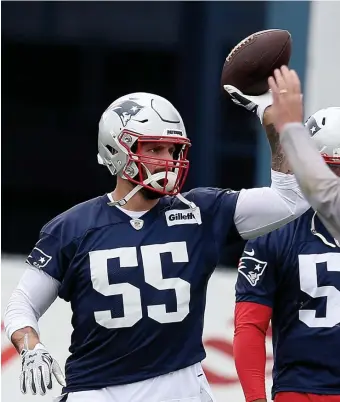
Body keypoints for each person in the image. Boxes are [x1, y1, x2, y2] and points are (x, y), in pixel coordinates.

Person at [4, 92, 309, 402]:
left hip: (179, 386)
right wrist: (32, 347)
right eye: (154, 148)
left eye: (172, 149)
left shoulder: (201, 212)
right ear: (116, 149)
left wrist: (275, 130)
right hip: (97, 390)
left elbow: (290, 201)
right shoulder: (72, 228)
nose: (167, 160)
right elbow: (22, 305)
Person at [233, 108, 340, 402]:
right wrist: (255, 398)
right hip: (302, 391)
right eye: (332, 169)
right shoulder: (276, 229)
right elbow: (250, 325)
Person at [225, 66, 340, 242]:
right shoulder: (277, 231)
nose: (331, 180)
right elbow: (288, 200)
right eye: (327, 169)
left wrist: (288, 127)